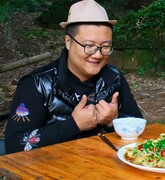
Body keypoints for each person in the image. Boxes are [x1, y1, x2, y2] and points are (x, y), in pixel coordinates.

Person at [5, 0, 143, 154]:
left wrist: (115, 119)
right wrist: (73, 125)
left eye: (105, 47)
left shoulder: (114, 78)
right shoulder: (37, 84)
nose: (97, 55)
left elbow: (141, 127)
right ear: (68, 42)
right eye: (89, 46)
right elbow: (14, 145)